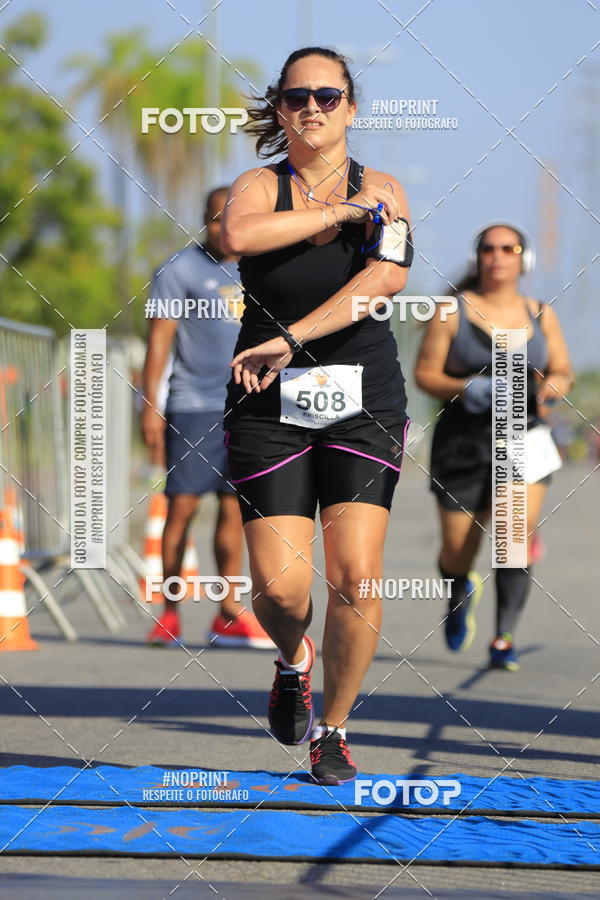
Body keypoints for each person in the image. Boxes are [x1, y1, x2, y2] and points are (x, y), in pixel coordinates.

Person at [220, 47, 413, 785]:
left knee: (358, 579)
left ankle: (332, 729)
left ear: (351, 109)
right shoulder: (258, 186)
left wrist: (291, 338)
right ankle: (292, 659)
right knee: (279, 591)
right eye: (297, 96)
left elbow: (384, 279)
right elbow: (240, 237)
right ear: (280, 109)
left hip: (362, 399)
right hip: (266, 403)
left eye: (327, 96)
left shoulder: (385, 189)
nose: (312, 107)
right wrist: (333, 212)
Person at [415, 223, 573, 671]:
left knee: (513, 534)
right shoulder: (451, 311)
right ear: (476, 257)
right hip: (462, 443)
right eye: (488, 249)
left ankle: (504, 637)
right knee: (456, 550)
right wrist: (465, 389)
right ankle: (459, 589)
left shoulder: (541, 313)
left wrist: (554, 386)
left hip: (523, 436)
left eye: (508, 248)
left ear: (524, 258)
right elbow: (425, 374)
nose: (497, 257)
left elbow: (561, 368)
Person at [141, 187, 273, 650]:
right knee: (181, 507)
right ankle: (169, 611)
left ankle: (228, 612)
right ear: (203, 221)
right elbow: (159, 343)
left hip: (250, 404)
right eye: (215, 220)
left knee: (234, 509)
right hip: (194, 405)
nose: (223, 229)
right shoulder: (179, 269)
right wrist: (150, 408)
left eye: (232, 219)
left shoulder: (264, 264)